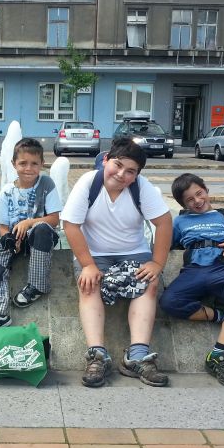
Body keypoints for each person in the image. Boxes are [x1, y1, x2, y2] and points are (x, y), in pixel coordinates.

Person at [61, 137, 172, 388]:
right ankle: (97, 355)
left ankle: (138, 356)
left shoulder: (141, 188)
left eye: (130, 171)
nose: (121, 174)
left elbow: (164, 222)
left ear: (137, 175)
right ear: (106, 160)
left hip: (133, 252)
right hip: (94, 254)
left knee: (149, 283)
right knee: (88, 285)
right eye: (118, 165)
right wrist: (88, 265)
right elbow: (71, 225)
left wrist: (157, 263)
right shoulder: (88, 182)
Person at [159, 173, 224, 387]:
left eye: (199, 193)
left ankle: (218, 355)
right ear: (183, 204)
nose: (197, 201)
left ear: (206, 190)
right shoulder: (180, 221)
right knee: (169, 301)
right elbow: (165, 247)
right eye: (189, 199)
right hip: (193, 271)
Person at [0, 138, 62, 328]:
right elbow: (3, 226)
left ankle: (37, 285)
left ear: (42, 164)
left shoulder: (46, 183)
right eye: (23, 163)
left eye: (34, 163)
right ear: (13, 164)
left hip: (41, 239)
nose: (28, 168)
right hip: (17, 240)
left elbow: (54, 219)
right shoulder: (7, 191)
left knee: (41, 228)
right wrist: (9, 239)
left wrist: (28, 222)